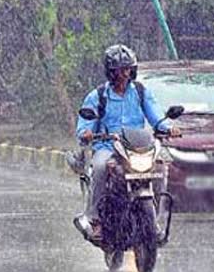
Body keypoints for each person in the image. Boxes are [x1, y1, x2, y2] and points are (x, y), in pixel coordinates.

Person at [76, 44, 180, 240]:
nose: (125, 74)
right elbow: (84, 125)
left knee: (160, 166)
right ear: (111, 73)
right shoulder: (97, 96)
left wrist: (168, 128)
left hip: (137, 148)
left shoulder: (140, 92)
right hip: (108, 147)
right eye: (121, 70)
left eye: (128, 69)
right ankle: (95, 220)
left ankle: (154, 218)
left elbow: (156, 116)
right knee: (99, 167)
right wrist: (86, 133)